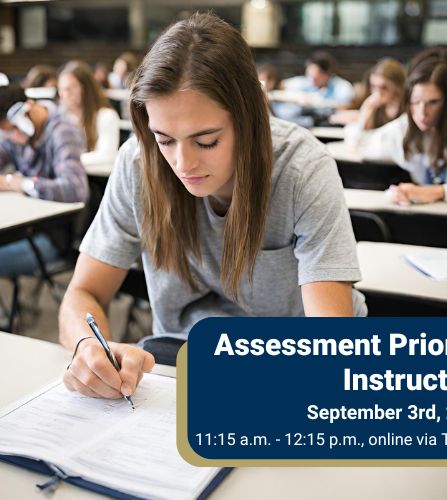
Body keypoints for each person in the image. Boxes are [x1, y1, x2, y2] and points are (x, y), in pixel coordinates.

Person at [58, 13, 366, 400]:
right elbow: (81, 295)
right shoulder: (139, 162)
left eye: (206, 141)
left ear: (249, 119)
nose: (183, 164)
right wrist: (86, 348)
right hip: (183, 355)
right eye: (164, 139)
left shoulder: (303, 169)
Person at [353, 48, 447, 205]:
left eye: (433, 102)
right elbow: (359, 144)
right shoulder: (403, 128)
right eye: (416, 102)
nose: (422, 113)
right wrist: (365, 112)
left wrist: (436, 192)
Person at [0, 85, 88, 277]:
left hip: (50, 237)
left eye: (13, 129)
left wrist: (19, 183)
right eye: (7, 133)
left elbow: (76, 189)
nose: (12, 137)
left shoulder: (63, 131)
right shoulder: (14, 134)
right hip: (21, 225)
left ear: (28, 109)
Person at [58, 60, 120, 168]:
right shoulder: (61, 117)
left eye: (72, 88)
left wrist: (69, 159)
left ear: (86, 88)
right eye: (62, 89)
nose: (66, 94)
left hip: (97, 180)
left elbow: (107, 155)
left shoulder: (106, 116)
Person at [344, 58, 405, 137]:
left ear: (398, 86)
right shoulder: (375, 106)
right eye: (374, 86)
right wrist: (366, 110)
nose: (378, 92)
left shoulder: (407, 107)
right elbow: (361, 134)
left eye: (384, 87)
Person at [283, 50, 354, 107]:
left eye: (315, 78)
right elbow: (280, 87)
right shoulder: (305, 81)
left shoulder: (342, 86)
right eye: (309, 75)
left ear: (327, 74)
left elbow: (345, 105)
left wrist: (316, 102)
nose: (311, 80)